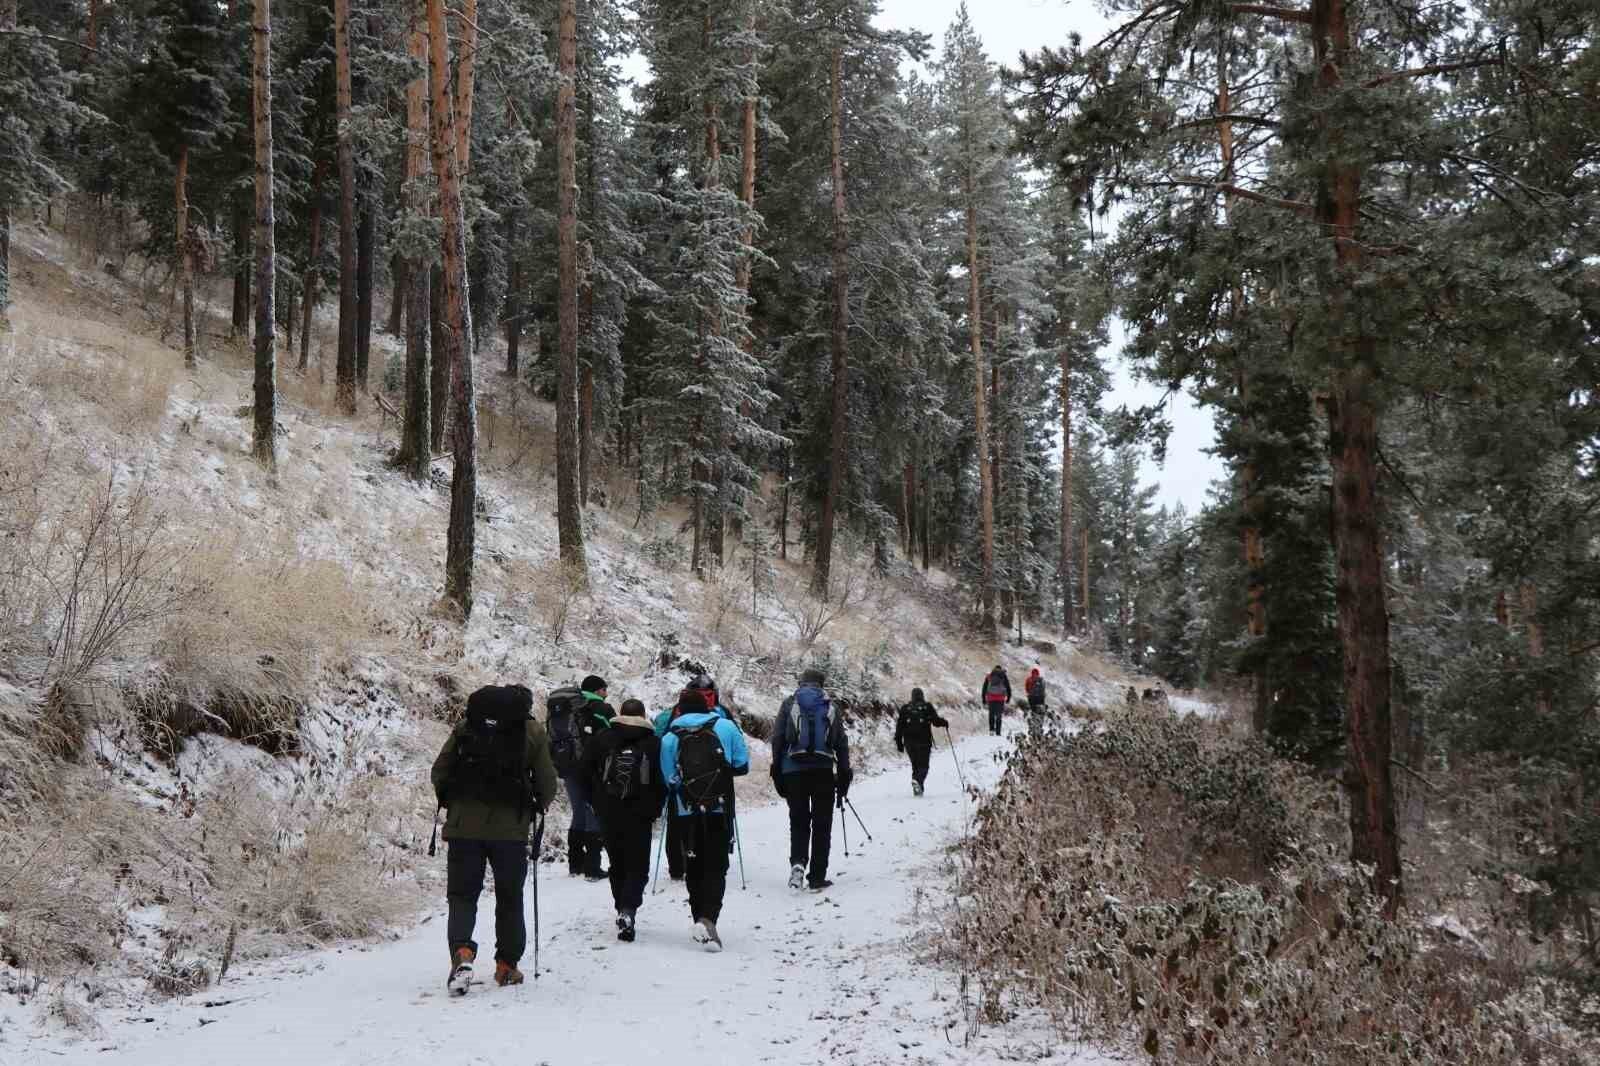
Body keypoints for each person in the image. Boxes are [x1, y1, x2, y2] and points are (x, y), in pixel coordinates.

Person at [431, 683, 559, 994]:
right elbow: (547, 782)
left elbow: (440, 771)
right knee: (510, 897)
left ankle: (462, 952)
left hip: (463, 827)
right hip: (510, 830)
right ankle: (506, 966)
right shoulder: (532, 731)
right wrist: (536, 805)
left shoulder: (467, 726)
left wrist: (454, 802)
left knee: (462, 896)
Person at [659, 693, 750, 951]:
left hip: (686, 811)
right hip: (719, 807)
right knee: (717, 865)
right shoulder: (726, 727)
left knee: (694, 866)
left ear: (680, 711)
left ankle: (699, 916)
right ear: (707, 707)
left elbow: (669, 779)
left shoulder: (670, 737)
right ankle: (708, 919)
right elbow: (742, 764)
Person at [581, 698, 667, 943]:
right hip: (640, 814)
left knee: (617, 863)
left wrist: (595, 802)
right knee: (637, 865)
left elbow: (584, 772)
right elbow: (661, 779)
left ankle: (621, 908)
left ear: (620, 714)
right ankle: (629, 910)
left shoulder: (602, 738)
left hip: (608, 811)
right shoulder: (654, 743)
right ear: (643, 716)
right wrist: (655, 808)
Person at [770, 668, 852, 892]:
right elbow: (841, 743)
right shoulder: (830, 706)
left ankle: (798, 863)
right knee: (822, 824)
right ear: (821, 684)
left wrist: (777, 769)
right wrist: (844, 773)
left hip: (792, 772)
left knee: (798, 821)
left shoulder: (789, 703)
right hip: (822, 771)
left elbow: (777, 739)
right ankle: (817, 876)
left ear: (801, 682)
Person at [652, 676, 732, 882]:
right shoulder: (722, 718)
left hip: (682, 786)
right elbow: (737, 757)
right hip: (716, 783)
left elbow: (659, 743)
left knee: (677, 823)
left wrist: (670, 781)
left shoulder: (669, 717)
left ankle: (677, 867)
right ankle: (718, 863)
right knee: (718, 819)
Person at [560, 675, 615, 881]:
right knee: (593, 812)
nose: (606, 693)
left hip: (568, 766)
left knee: (578, 813)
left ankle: (575, 864)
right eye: (604, 689)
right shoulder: (602, 709)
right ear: (598, 690)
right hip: (592, 768)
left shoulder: (568, 707)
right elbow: (616, 734)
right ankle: (593, 867)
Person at [894, 687, 948, 796]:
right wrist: (944, 722)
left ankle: (918, 789)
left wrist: (899, 743)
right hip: (923, 741)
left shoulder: (905, 708)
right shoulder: (927, 707)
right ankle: (918, 781)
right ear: (922, 696)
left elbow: (899, 726)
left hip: (909, 742)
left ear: (912, 696)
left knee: (915, 766)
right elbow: (936, 722)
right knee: (924, 766)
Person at [981, 665, 1011, 736]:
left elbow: (984, 688)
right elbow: (1008, 687)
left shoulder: (989, 676)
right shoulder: (1003, 676)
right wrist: (1008, 698)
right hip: (1001, 698)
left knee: (991, 714)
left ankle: (991, 730)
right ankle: (998, 732)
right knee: (999, 715)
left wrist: (984, 699)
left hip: (991, 698)